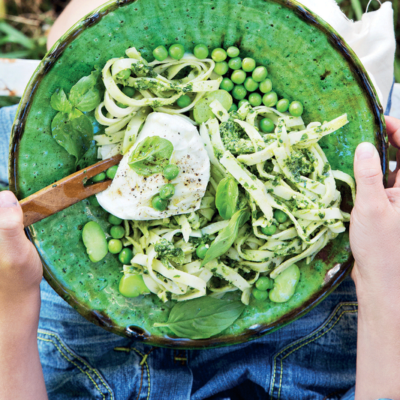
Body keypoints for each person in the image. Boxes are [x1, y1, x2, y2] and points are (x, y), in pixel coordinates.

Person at [0, 1, 399, 399]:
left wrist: (12, 311)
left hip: (67, 338)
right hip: (334, 332)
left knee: (70, 42)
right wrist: (385, 286)